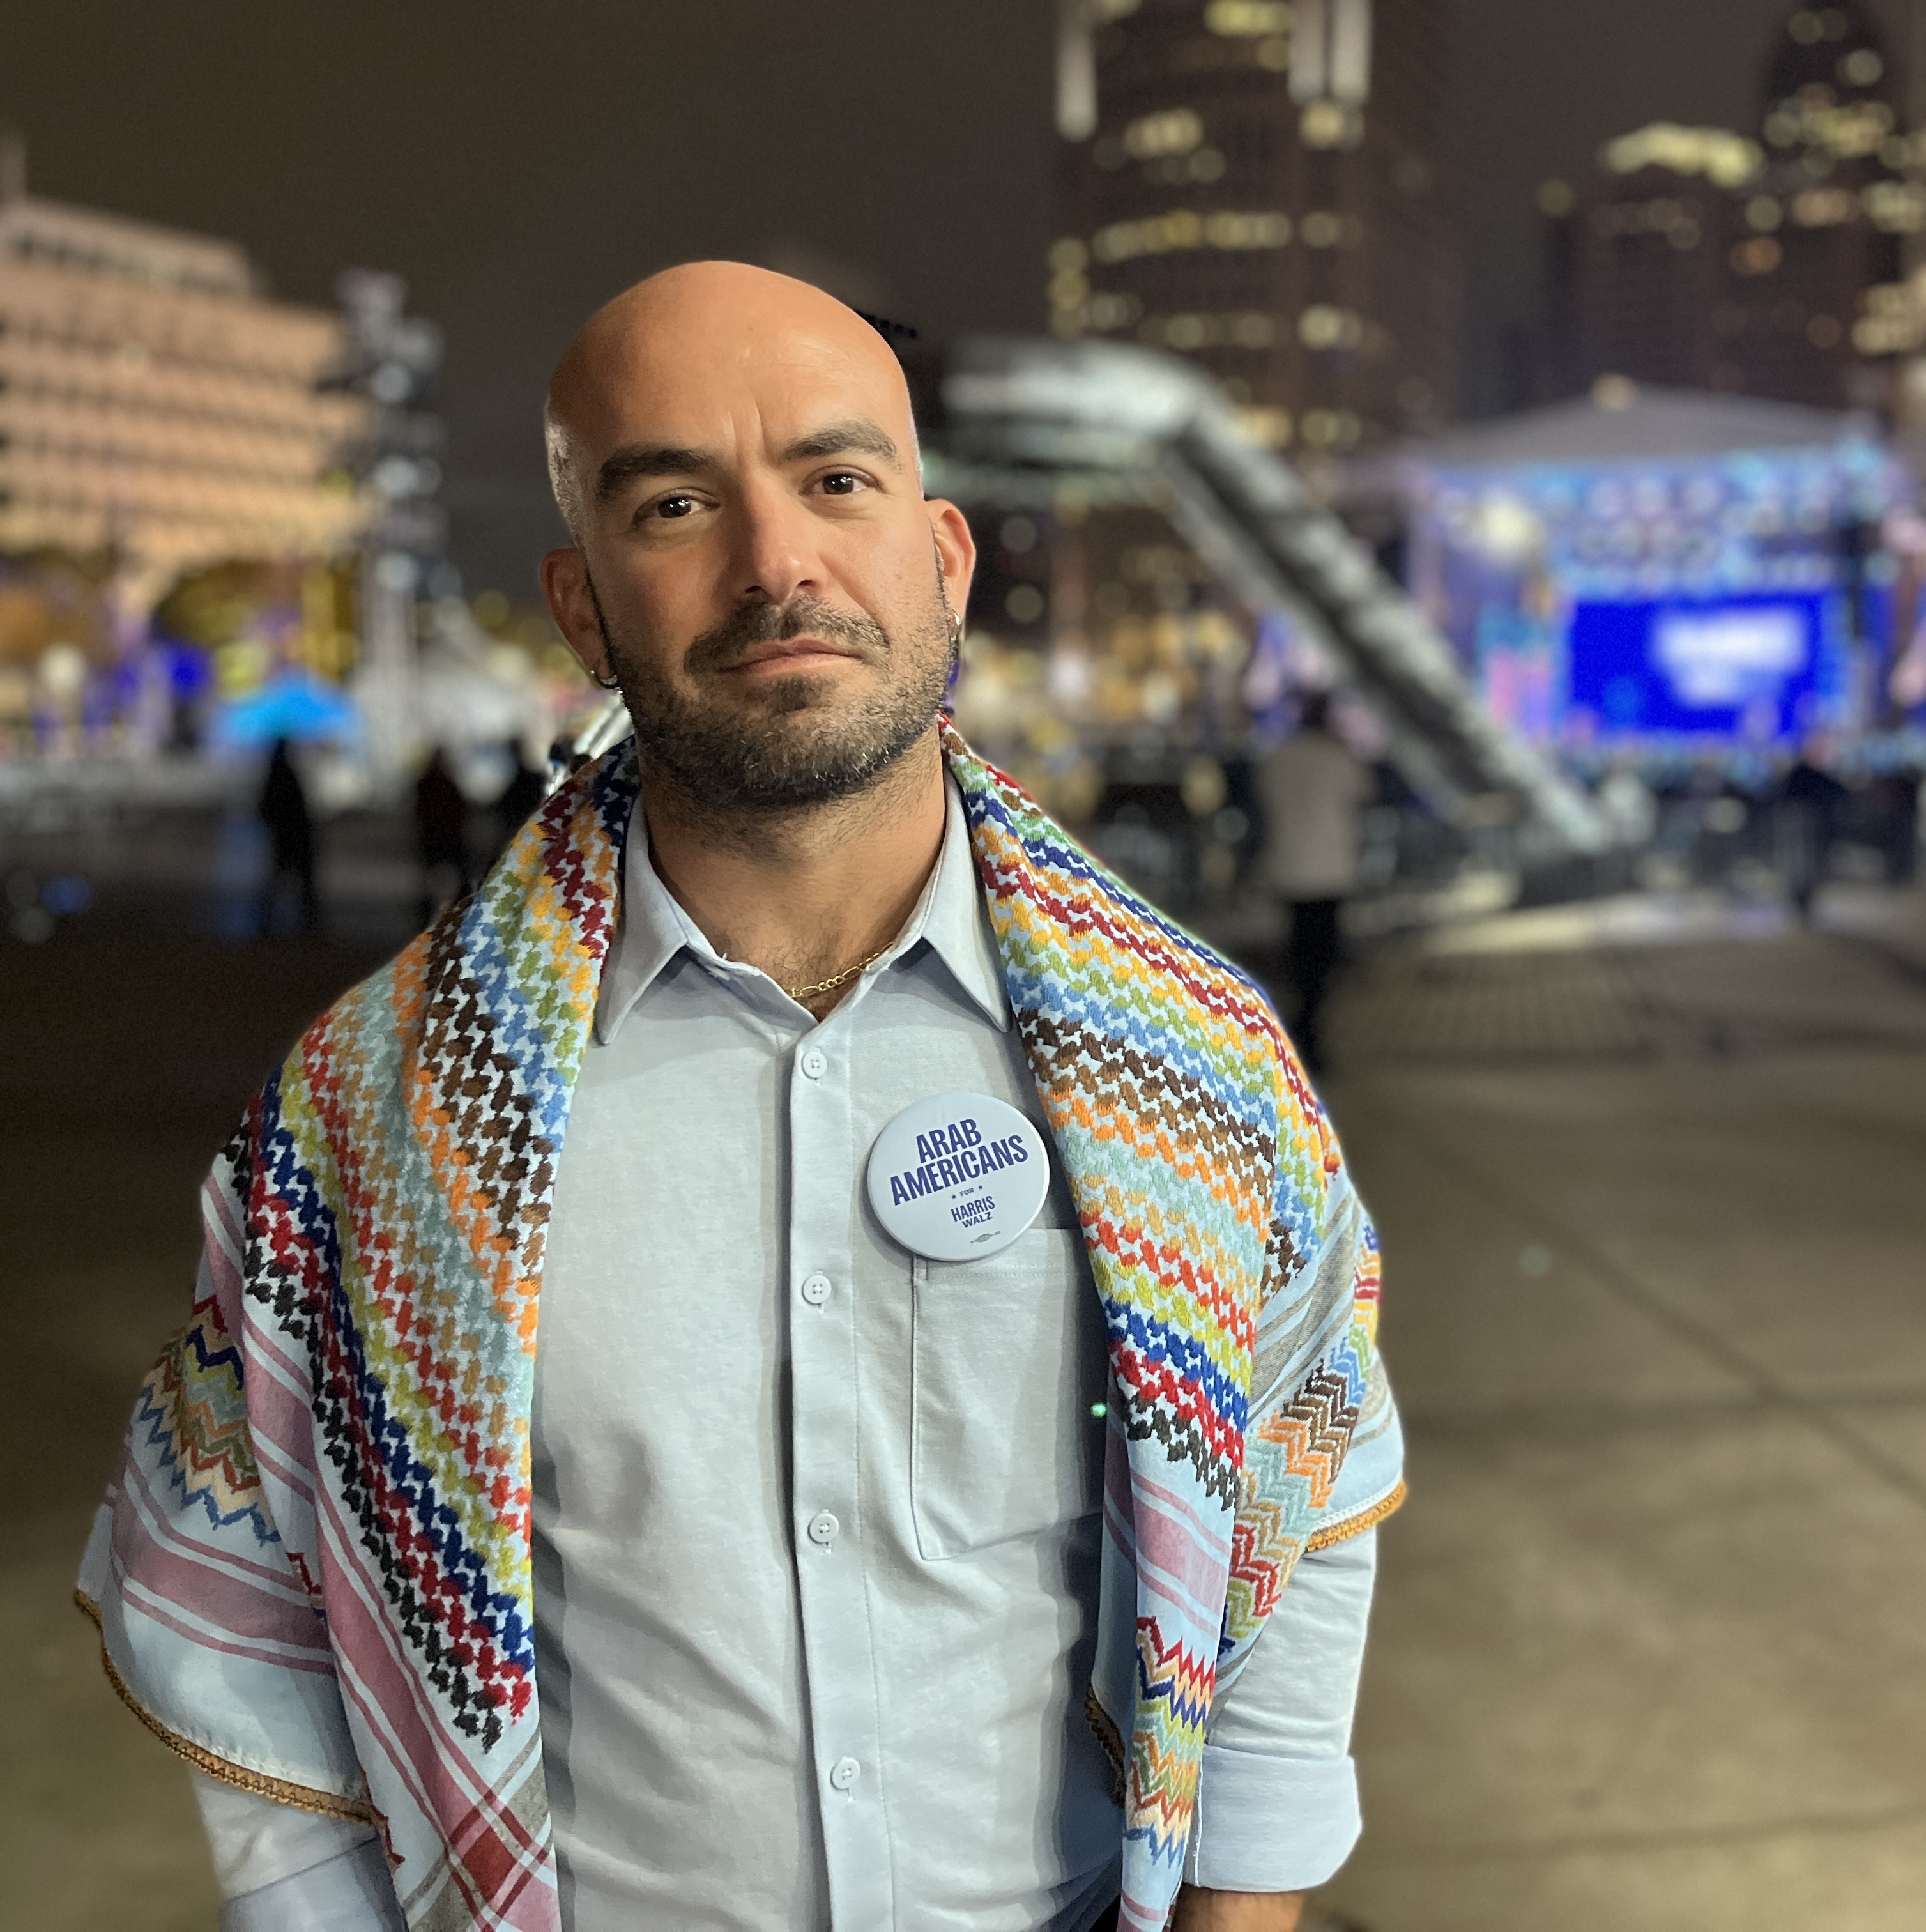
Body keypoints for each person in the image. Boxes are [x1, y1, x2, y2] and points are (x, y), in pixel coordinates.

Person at [75, 263, 1403, 1932]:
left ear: (944, 556)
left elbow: (1300, 1474)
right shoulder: (372, 1126)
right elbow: (260, 1613)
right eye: (679, 501)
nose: (778, 563)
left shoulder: (1195, 1065)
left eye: (839, 480)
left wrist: (1241, 1916)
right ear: (583, 608)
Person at [1255, 692, 1370, 1070]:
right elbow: (1363, 794)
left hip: (1289, 868)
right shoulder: (1338, 759)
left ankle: (1300, 1028)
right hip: (1331, 871)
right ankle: (1308, 1030)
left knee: (1299, 951)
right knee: (1323, 957)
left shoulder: (1278, 759)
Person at [1775, 739, 1845, 924]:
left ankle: (1803, 899)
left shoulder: (1808, 774)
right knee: (1800, 863)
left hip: (1807, 827)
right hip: (1800, 826)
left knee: (1805, 864)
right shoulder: (1804, 774)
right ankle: (1800, 899)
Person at [255, 737, 317, 934]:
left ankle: (273, 921)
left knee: (282, 878)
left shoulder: (277, 775)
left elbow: (265, 808)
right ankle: (307, 923)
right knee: (295, 880)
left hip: (285, 836)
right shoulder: (285, 774)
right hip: (291, 836)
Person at [412, 744, 474, 920]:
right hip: (446, 837)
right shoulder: (443, 784)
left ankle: (427, 915)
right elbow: (461, 808)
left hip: (435, 837)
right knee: (459, 876)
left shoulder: (427, 784)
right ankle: (461, 910)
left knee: (431, 878)